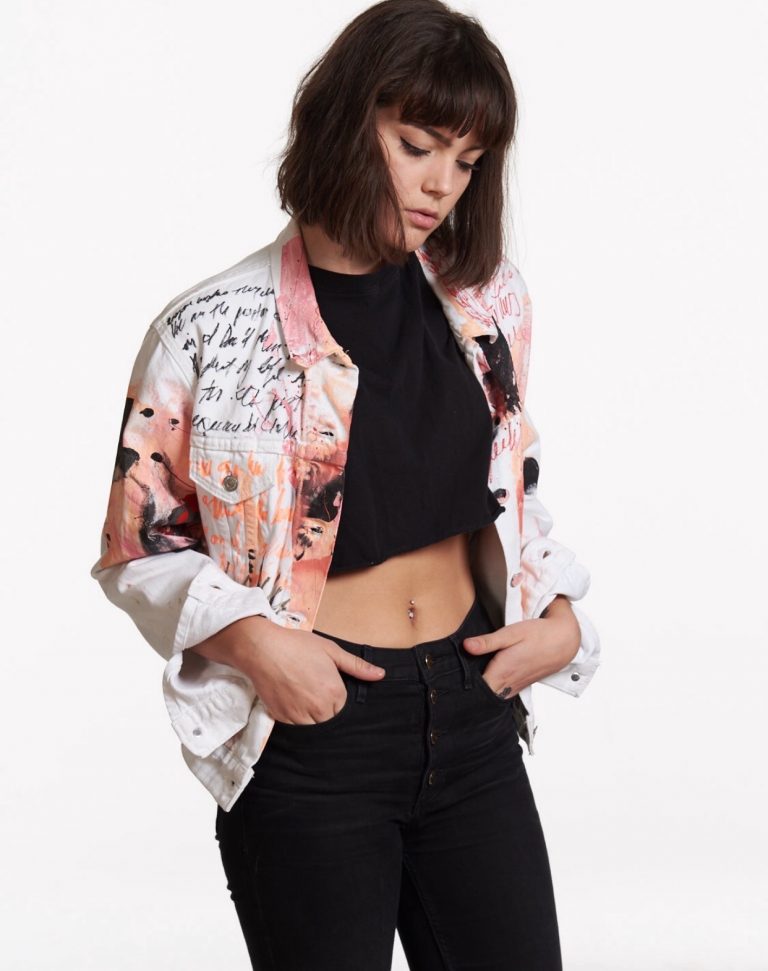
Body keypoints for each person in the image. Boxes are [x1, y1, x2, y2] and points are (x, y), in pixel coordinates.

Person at [90, 1, 601, 968]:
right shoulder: (206, 329)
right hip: (315, 734)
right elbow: (138, 548)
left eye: (468, 160)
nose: (442, 184)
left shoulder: (488, 302)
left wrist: (563, 618)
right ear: (344, 121)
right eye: (417, 146)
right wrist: (255, 644)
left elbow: (510, 488)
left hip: (474, 712)